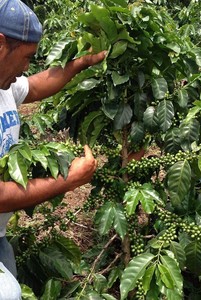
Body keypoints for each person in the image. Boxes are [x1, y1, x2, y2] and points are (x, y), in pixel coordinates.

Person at [0, 0, 107, 298]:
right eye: (26, 57)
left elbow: (35, 86)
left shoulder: (4, 85)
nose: (25, 68)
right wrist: (69, 181)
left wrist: (80, 63)